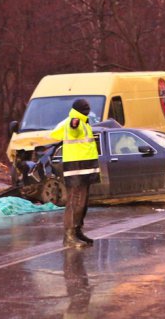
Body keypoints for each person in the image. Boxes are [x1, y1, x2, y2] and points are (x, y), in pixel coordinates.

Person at [51, 99, 100, 248]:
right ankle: (69, 236)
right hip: (76, 168)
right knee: (75, 202)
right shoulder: (75, 121)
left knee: (83, 203)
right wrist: (74, 123)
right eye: (85, 108)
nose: (87, 109)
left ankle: (77, 231)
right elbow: (73, 127)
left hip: (85, 168)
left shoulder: (85, 122)